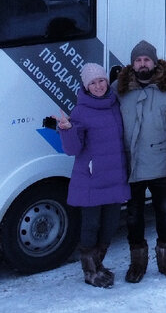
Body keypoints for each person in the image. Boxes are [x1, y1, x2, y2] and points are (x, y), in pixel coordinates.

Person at [113, 40, 166, 282]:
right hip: (131, 165)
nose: (143, 63)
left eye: (147, 59)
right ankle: (137, 263)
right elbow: (99, 114)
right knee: (133, 217)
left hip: (161, 164)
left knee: (164, 214)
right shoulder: (119, 88)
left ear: (154, 62)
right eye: (138, 60)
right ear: (132, 63)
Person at [55, 63, 129, 287]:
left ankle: (98, 264)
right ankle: (90, 271)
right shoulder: (81, 111)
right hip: (92, 179)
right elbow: (73, 149)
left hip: (115, 177)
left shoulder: (115, 104)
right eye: (92, 83)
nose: (98, 86)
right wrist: (66, 129)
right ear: (85, 87)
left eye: (101, 81)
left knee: (110, 225)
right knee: (91, 226)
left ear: (107, 81)